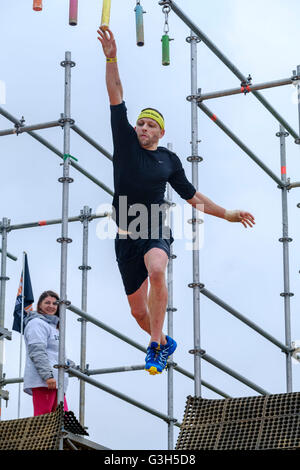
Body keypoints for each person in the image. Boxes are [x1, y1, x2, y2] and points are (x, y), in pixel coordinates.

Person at [97, 28, 255, 376]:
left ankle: (155, 348)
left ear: (160, 133)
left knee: (157, 269)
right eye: (140, 122)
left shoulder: (168, 160)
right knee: (138, 313)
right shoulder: (124, 142)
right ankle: (163, 339)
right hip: (124, 233)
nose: (142, 127)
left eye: (150, 125)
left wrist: (227, 214)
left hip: (152, 224)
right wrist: (111, 57)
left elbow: (193, 196)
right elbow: (116, 92)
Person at [23, 290, 70, 416]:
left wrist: (71, 367)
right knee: (44, 419)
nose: (51, 306)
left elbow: (56, 354)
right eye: (47, 302)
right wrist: (47, 376)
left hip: (56, 380)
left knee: (62, 419)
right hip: (44, 380)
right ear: (39, 305)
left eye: (55, 303)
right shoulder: (36, 324)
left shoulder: (55, 328)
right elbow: (37, 351)